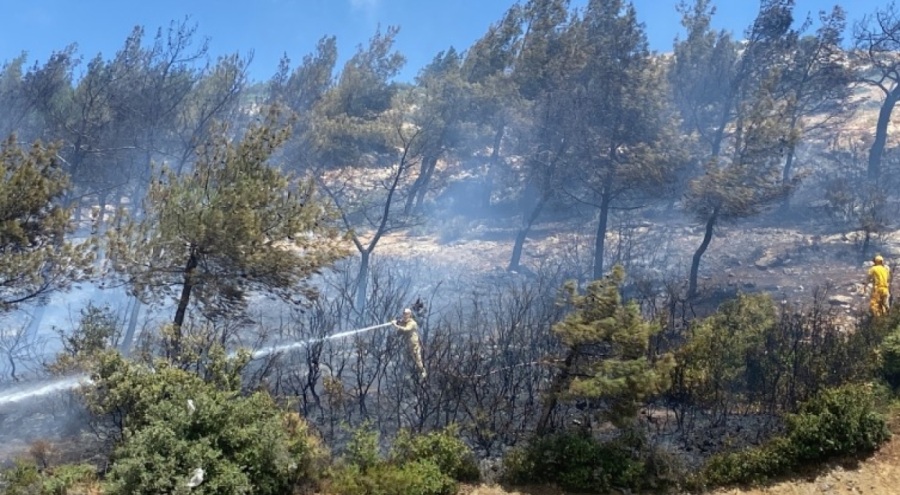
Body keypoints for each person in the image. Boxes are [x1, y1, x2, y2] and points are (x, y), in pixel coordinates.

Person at [393, 308, 426, 380]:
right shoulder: (404, 321)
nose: (405, 315)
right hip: (408, 345)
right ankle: (411, 373)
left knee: (418, 359)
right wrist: (396, 322)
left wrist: (396, 325)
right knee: (408, 359)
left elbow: (406, 329)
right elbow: (401, 325)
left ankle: (423, 372)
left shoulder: (412, 323)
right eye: (404, 314)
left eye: (406, 314)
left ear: (410, 315)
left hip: (414, 345)